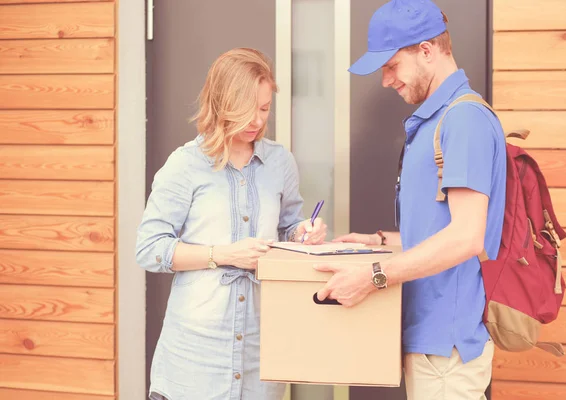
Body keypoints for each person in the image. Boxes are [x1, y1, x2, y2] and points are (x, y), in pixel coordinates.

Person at [314, 1, 506, 399]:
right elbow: (441, 231)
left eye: (391, 66)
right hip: (429, 346)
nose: (386, 81)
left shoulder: (463, 120)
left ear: (426, 50)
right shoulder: (434, 120)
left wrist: (372, 277)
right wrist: (376, 243)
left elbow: (467, 238)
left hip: (446, 355)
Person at [136, 47, 327, 400]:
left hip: (261, 349)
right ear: (222, 104)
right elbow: (150, 249)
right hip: (195, 357)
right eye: (247, 110)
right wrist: (224, 254)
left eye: (264, 108)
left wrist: (304, 232)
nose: (257, 120)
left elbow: (287, 228)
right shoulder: (185, 165)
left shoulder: (279, 162)